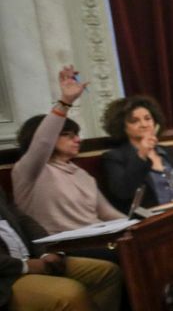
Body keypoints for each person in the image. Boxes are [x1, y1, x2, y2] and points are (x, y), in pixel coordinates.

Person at [1, 186, 138, 311]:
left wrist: (45, 252)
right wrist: (25, 266)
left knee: (106, 273)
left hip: (30, 259)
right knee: (69, 293)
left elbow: (24, 220)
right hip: (6, 278)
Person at [13, 66, 125, 234]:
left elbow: (108, 213)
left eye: (77, 135)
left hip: (99, 237)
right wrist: (66, 101)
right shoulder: (29, 171)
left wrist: (139, 226)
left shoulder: (80, 173)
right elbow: (43, 142)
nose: (78, 140)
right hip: (62, 245)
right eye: (67, 135)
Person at [101, 94, 173, 211]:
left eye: (148, 119)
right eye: (134, 121)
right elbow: (123, 193)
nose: (144, 125)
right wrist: (142, 154)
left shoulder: (170, 152)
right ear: (122, 126)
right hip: (152, 218)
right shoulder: (114, 157)